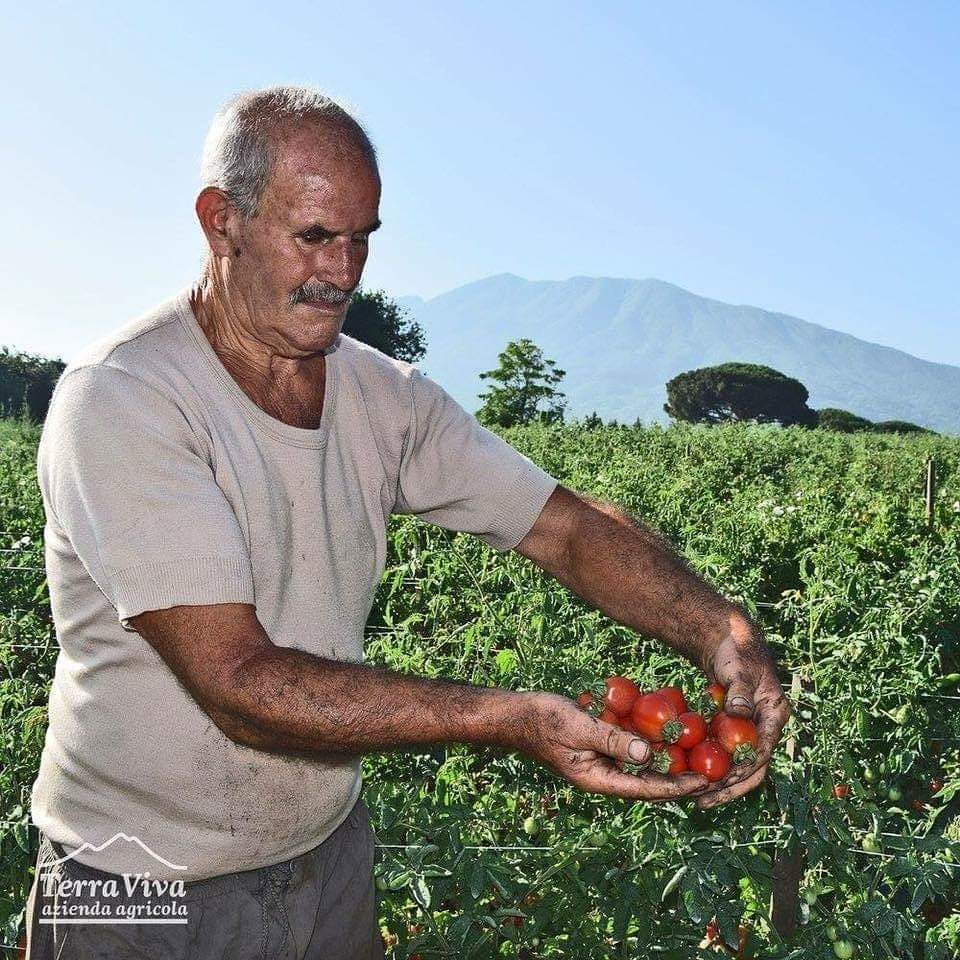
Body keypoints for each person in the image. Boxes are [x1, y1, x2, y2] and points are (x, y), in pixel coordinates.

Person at [24, 85, 790, 959]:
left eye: (361, 240)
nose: (344, 271)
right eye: (313, 236)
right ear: (219, 221)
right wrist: (506, 717)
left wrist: (717, 630)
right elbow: (239, 684)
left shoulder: (383, 396)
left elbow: (564, 528)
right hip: (137, 893)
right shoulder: (127, 399)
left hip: (324, 863)